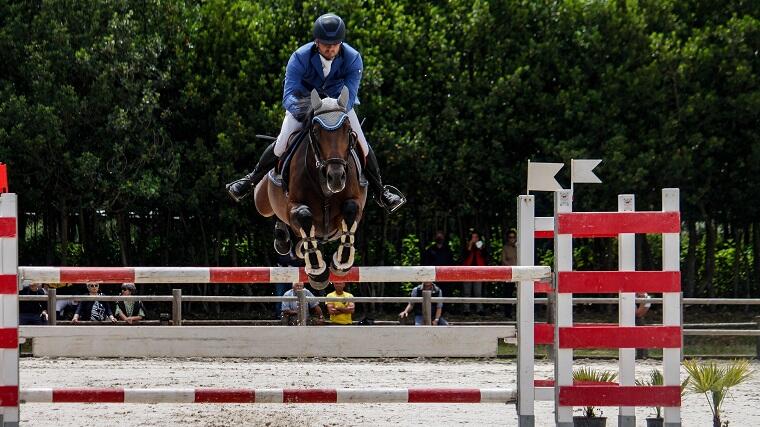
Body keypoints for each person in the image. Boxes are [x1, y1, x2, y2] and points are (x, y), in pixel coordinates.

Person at [225, 13, 405, 213]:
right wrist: (309, 111)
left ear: (341, 42)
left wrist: (333, 111)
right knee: (282, 141)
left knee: (362, 144)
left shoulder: (353, 58)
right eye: (326, 43)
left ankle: (381, 192)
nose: (331, 48)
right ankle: (250, 181)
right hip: (304, 106)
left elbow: (350, 94)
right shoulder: (299, 57)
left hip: (338, 107)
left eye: (335, 43)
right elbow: (289, 95)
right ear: (316, 42)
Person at [462, 230, 488, 315]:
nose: (474, 239)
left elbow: (485, 255)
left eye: (476, 237)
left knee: (478, 292)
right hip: (467, 271)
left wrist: (480, 247)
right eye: (473, 237)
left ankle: (479, 309)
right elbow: (464, 256)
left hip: (478, 271)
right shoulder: (466, 245)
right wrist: (470, 245)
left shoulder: (481, 245)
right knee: (467, 292)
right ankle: (466, 310)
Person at [274, 250, 304, 317]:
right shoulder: (280, 246)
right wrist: (293, 260)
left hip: (294, 274)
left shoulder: (297, 247)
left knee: (295, 294)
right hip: (280, 275)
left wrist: (291, 260)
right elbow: (281, 260)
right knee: (280, 295)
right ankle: (279, 316)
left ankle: (298, 315)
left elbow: (301, 260)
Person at [501, 229, 518, 318]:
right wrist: (512, 268)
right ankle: (507, 313)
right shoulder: (505, 248)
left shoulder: (519, 247)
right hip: (509, 273)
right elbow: (503, 260)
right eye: (510, 237)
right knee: (508, 293)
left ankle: (520, 313)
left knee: (521, 294)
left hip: (520, 273)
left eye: (513, 237)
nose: (512, 239)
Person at [635, 292, 653, 359]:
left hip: (637, 316)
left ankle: (641, 354)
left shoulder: (646, 297)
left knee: (639, 322)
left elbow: (638, 314)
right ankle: (642, 354)